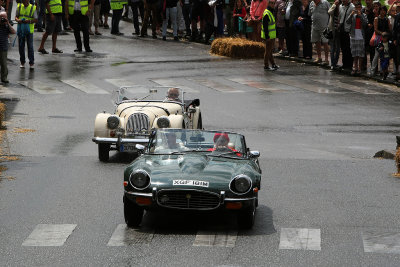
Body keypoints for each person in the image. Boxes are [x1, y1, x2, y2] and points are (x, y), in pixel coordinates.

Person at [15, 0, 38, 69]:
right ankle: (22, 62)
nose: (24, 2)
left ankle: (31, 62)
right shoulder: (19, 6)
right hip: (21, 30)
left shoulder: (33, 7)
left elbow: (36, 19)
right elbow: (16, 17)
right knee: (21, 46)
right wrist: (18, 20)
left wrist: (29, 21)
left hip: (29, 31)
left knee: (30, 46)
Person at [347, 1, 367, 75]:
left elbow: (365, 24)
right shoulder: (353, 15)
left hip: (361, 35)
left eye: (359, 7)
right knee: (354, 52)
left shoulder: (364, 15)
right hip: (353, 34)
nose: (358, 9)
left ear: (361, 8)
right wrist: (351, 14)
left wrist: (360, 15)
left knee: (360, 52)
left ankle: (359, 68)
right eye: (357, 7)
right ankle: (354, 67)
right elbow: (347, 21)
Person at [370, 5, 390, 76]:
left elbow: (389, 29)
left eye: (384, 10)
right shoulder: (376, 19)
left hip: (385, 39)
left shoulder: (387, 19)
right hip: (379, 39)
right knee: (376, 55)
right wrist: (382, 33)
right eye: (381, 10)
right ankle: (372, 71)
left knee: (384, 56)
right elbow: (375, 30)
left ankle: (382, 71)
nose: (382, 12)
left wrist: (386, 34)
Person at [308, 0, 330, 64]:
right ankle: (319, 57)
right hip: (314, 27)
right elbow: (310, 13)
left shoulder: (325, 2)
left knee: (325, 42)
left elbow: (331, 13)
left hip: (324, 27)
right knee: (317, 42)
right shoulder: (311, 3)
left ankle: (326, 59)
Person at [262, 0, 278, 71]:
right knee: (268, 51)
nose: (273, 4)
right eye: (271, 3)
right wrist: (267, 36)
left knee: (270, 51)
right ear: (268, 3)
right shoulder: (267, 13)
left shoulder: (271, 11)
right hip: (269, 36)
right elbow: (265, 26)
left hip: (272, 36)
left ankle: (273, 64)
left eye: (274, 3)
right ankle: (266, 65)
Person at [0, 11, 16, 83]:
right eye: (1, 17)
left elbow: (13, 32)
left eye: (4, 17)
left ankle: (4, 78)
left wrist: (8, 23)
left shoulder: (7, 26)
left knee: (4, 63)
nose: (3, 19)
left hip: (3, 47)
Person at [338, 0, 354, 70]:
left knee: (348, 48)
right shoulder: (340, 6)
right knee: (343, 48)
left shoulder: (352, 7)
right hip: (341, 29)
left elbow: (353, 20)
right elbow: (339, 17)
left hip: (348, 30)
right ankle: (344, 64)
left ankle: (349, 65)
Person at [328, 0, 341, 69]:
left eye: (338, 3)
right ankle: (332, 64)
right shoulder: (333, 10)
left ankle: (335, 62)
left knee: (338, 49)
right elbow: (329, 12)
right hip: (332, 31)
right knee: (332, 48)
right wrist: (334, 5)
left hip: (339, 32)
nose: (337, 5)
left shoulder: (342, 9)